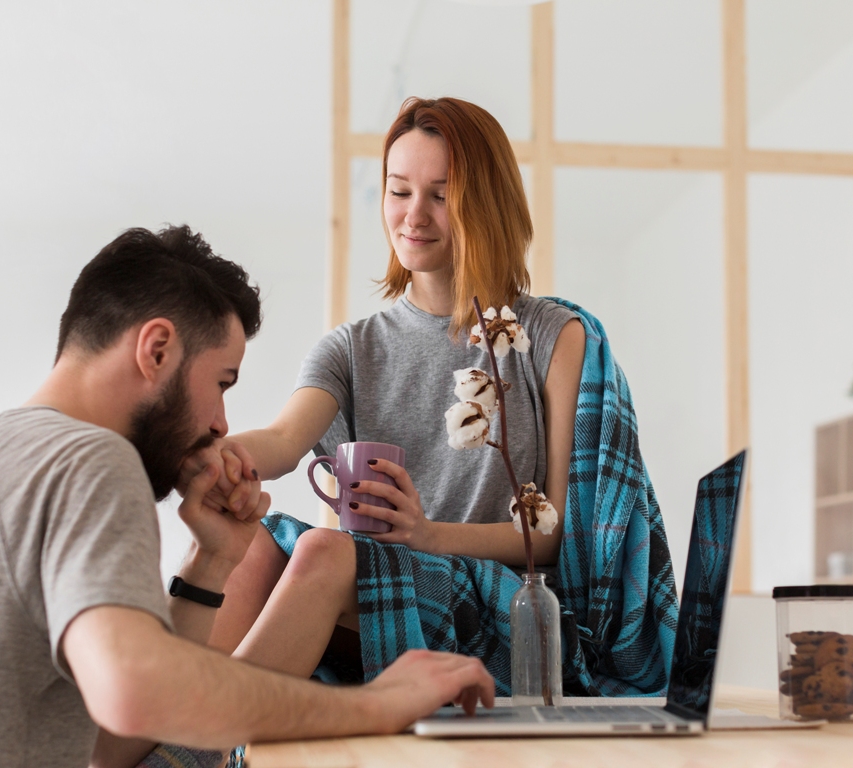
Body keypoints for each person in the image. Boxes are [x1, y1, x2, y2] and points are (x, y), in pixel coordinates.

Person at [0, 226, 494, 768]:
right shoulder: (87, 457)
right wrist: (379, 704)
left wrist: (209, 567)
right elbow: (136, 694)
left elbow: (108, 745)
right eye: (222, 383)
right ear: (158, 349)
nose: (222, 425)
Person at [198, 97, 676, 697]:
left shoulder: (554, 338)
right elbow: (283, 441)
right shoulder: (349, 348)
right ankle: (188, 743)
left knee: (322, 552)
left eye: (440, 196)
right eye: (398, 191)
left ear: (486, 205)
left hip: (507, 616)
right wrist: (199, 453)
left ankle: (195, 748)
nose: (413, 215)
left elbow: (553, 534)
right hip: (385, 593)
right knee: (254, 548)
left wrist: (427, 534)